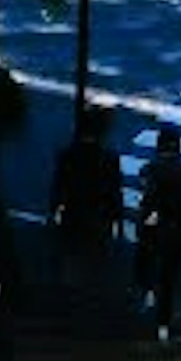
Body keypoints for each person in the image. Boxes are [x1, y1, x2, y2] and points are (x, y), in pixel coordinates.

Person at [132, 121, 181, 334]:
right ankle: (163, 324)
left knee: (146, 263)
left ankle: (148, 290)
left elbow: (145, 196)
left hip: (152, 229)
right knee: (169, 277)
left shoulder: (149, 170)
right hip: (177, 231)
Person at [46, 101, 124, 279]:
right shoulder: (108, 158)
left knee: (71, 259)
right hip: (99, 217)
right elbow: (114, 191)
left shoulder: (68, 154)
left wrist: (52, 214)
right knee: (96, 264)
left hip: (73, 213)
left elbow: (58, 187)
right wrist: (118, 222)